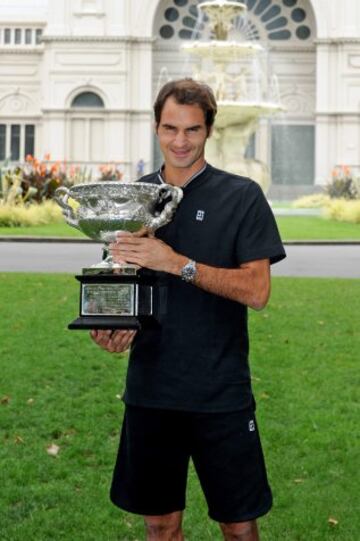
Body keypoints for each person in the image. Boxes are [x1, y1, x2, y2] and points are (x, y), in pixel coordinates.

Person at [91, 78, 286, 541]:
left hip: (220, 391)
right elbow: (119, 282)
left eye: (192, 130)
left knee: (238, 527)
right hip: (151, 388)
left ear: (209, 130)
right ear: (156, 128)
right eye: (170, 128)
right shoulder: (131, 199)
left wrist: (177, 263)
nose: (180, 141)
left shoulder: (241, 196)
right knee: (160, 526)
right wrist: (111, 325)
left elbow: (258, 291)